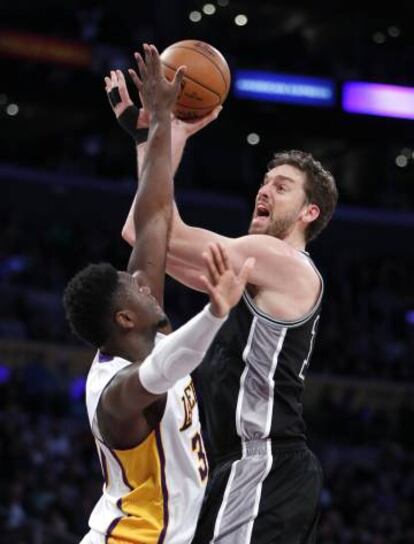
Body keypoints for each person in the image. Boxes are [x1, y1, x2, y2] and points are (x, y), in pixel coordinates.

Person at [119, 53, 339, 541]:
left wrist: (167, 130)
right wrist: (150, 138)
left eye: (281, 187)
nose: (264, 190)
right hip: (235, 465)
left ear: (308, 212)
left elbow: (162, 228)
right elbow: (142, 232)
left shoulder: (280, 261)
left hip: (264, 460)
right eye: (264, 182)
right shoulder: (243, 277)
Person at [63, 44, 254, 544]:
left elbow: (152, 220)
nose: (145, 280)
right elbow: (167, 369)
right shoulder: (117, 397)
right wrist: (214, 312)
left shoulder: (148, 327)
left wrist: (157, 132)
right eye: (133, 286)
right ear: (123, 319)